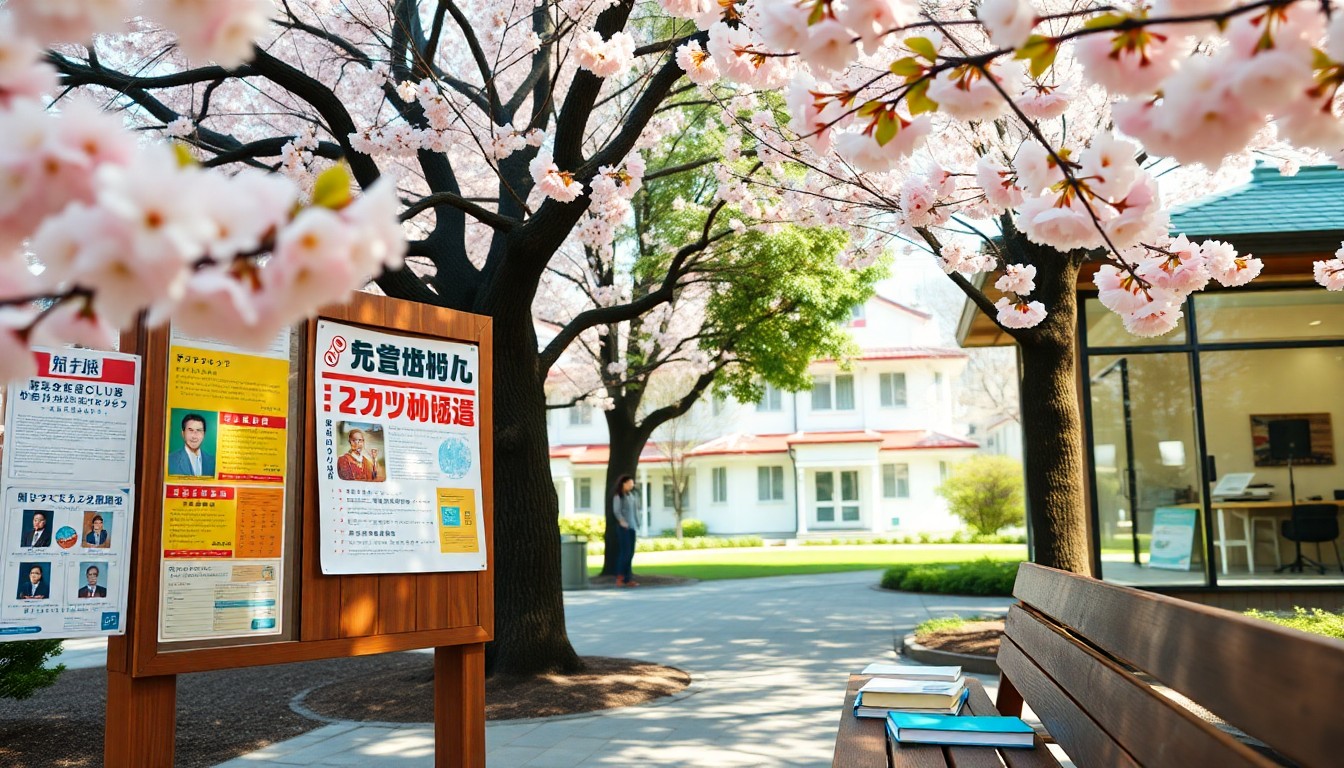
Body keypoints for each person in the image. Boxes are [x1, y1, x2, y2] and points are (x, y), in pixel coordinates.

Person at [611, 474, 642, 587]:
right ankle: (620, 577)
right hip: (624, 528)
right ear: (623, 483)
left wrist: (637, 523)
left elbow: (636, 511)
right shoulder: (618, 496)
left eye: (632, 483)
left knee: (630, 553)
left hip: (632, 527)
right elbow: (617, 511)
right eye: (629, 483)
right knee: (625, 553)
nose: (632, 485)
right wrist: (622, 521)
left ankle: (628, 579)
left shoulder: (631, 495)